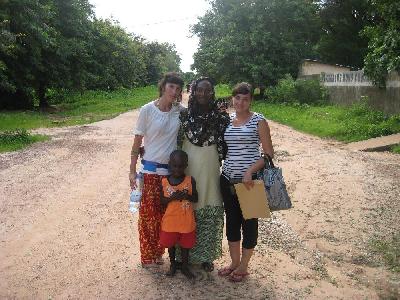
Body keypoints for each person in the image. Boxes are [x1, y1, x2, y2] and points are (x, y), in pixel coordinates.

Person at [218, 82, 274, 282]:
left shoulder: (258, 121)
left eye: (245, 98)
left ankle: (244, 266)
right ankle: (234, 262)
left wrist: (250, 171)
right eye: (237, 98)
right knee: (232, 222)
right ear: (233, 98)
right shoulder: (228, 120)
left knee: (249, 224)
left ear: (251, 100)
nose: (241, 102)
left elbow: (268, 154)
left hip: (251, 182)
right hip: (227, 179)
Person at [129, 72, 184, 267]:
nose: (174, 91)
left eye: (178, 89)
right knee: (147, 216)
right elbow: (137, 142)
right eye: (171, 87)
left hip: (170, 175)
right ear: (163, 87)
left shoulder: (179, 111)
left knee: (166, 217)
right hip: (150, 172)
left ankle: (160, 252)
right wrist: (131, 170)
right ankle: (147, 256)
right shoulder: (147, 110)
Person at [178, 77, 230, 272]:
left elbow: (228, 144)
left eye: (207, 91)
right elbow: (174, 141)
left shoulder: (221, 117)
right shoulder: (184, 115)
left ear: (212, 93)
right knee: (187, 207)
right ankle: (183, 254)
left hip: (210, 168)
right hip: (189, 167)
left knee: (209, 204)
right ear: (194, 92)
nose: (203, 94)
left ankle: (207, 256)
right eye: (199, 90)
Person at [159, 150, 198, 280]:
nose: (177, 169)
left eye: (181, 166)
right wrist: (172, 197)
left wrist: (187, 195)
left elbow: (196, 198)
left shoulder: (190, 180)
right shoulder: (164, 181)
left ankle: (185, 266)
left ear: (186, 165)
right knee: (170, 244)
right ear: (170, 164)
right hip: (170, 222)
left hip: (186, 221)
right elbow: (162, 201)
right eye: (175, 165)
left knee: (185, 246)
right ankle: (173, 264)